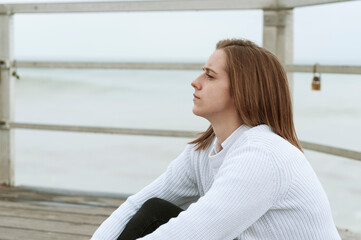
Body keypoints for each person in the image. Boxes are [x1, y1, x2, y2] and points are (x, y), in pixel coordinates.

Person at [91, 39, 341, 240]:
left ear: (243, 90)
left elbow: (193, 232)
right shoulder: (205, 150)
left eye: (209, 76)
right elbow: (138, 205)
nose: (195, 82)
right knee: (155, 210)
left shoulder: (262, 156)